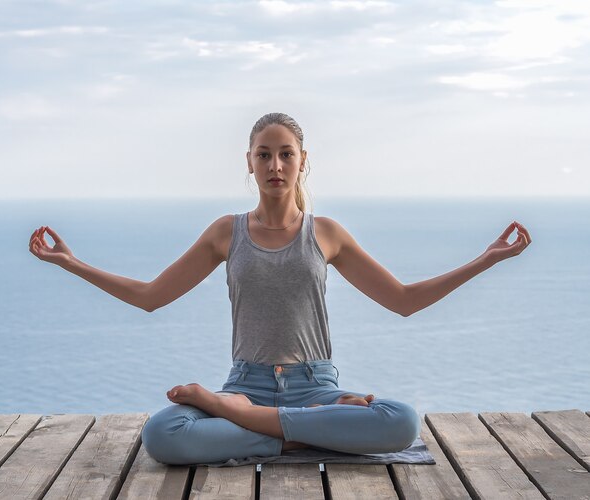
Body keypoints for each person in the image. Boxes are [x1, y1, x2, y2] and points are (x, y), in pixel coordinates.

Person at [28, 112, 532, 465]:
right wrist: (70, 263)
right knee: (163, 434)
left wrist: (487, 259)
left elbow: (403, 300)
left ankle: (247, 422)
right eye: (264, 155)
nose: (275, 166)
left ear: (302, 161)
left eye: (285, 155)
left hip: (316, 387)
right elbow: (150, 295)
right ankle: (295, 434)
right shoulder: (226, 233)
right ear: (248, 161)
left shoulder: (326, 233)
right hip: (248, 384)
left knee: (401, 422)